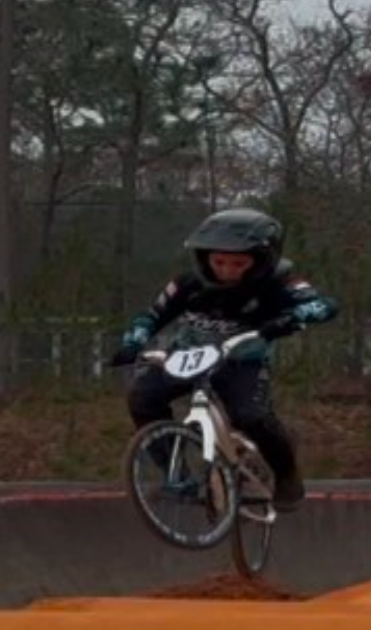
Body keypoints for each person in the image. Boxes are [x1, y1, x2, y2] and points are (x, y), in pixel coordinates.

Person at [109, 208, 338, 510]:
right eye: (218, 262)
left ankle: (286, 474)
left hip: (241, 361)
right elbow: (152, 316)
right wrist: (133, 342)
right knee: (142, 397)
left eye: (238, 264)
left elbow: (325, 305)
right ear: (204, 258)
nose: (227, 270)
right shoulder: (188, 284)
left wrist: (291, 318)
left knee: (250, 416)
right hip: (189, 355)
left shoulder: (279, 283)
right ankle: (177, 477)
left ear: (262, 260)